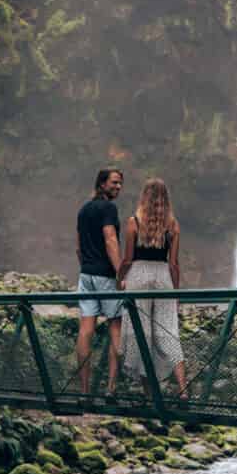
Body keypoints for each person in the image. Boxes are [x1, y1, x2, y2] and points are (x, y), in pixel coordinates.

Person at [117, 175, 188, 399]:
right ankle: (183, 389)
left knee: (142, 332)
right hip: (163, 276)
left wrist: (120, 278)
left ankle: (150, 395)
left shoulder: (134, 222)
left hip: (138, 275)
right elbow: (174, 264)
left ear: (144, 197)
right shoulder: (173, 224)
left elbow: (127, 259)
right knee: (168, 332)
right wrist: (175, 292)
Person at [76, 167, 124, 398]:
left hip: (85, 275)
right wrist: (120, 273)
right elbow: (110, 239)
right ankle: (111, 389)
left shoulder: (84, 209)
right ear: (102, 183)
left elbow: (78, 246)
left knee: (86, 329)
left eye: (120, 183)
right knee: (116, 327)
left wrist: (86, 266)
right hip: (105, 275)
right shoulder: (108, 208)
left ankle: (84, 391)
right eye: (114, 183)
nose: (118, 187)